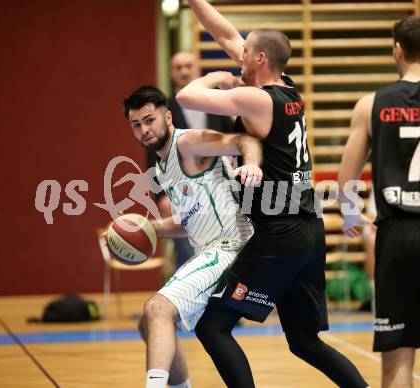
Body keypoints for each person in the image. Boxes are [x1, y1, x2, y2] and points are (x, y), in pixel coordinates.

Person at [175, 1, 369, 387]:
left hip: (280, 232)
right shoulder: (285, 89)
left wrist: (214, 77)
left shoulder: (257, 99)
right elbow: (227, 34)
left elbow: (185, 97)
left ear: (260, 58)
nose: (237, 56)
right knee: (303, 340)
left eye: (244, 54)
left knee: (213, 326)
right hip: (307, 230)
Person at [123, 85, 263, 388]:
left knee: (157, 309)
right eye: (136, 125)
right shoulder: (162, 167)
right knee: (151, 323)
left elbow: (243, 140)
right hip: (211, 251)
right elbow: (190, 221)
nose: (144, 130)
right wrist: (146, 227)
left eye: (150, 120)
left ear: (168, 117)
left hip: (232, 246)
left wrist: (251, 164)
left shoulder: (188, 143)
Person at [338, 15, 420, 388]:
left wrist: (351, 216)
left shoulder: (371, 104)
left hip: (398, 237)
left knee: (396, 363)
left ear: (398, 50)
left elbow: (347, 181)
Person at [147, 51, 234, 269]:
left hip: (219, 187)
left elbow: (233, 138)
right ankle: (189, 294)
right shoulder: (163, 110)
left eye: (188, 66)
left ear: (198, 70)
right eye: (178, 67)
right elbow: (152, 154)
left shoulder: (216, 103)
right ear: (171, 73)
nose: (184, 71)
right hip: (181, 189)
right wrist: (160, 195)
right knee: (188, 251)